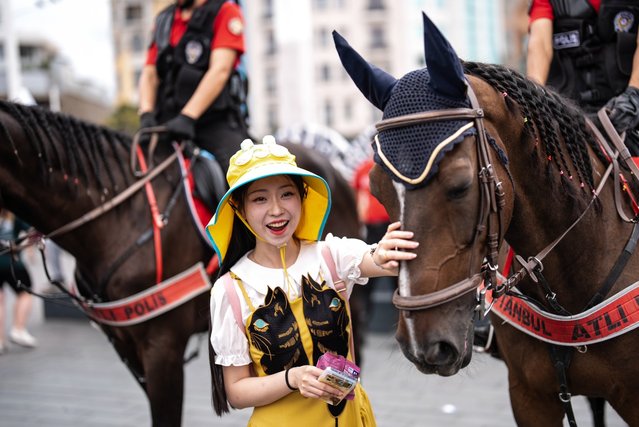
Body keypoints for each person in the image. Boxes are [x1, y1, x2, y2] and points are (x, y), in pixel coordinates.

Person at [206, 136, 418, 425]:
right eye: (259, 199)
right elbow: (236, 391)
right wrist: (292, 378)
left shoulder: (331, 256)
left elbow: (378, 259)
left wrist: (384, 253)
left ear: (302, 198)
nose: (277, 209)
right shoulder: (230, 289)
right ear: (240, 211)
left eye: (286, 194)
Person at [138, 0, 250, 172]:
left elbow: (220, 70)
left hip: (213, 122)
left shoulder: (225, 10)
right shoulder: (163, 19)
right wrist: (146, 113)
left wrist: (187, 117)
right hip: (166, 124)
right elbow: (149, 74)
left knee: (243, 172)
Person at [527, 0, 639, 152]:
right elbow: (539, 44)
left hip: (629, 111)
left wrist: (633, 96)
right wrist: (533, 95)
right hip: (568, 115)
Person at [0, 210, 38, 353]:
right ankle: (18, 328)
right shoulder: (13, 214)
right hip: (12, 263)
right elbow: (33, 231)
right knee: (25, 292)